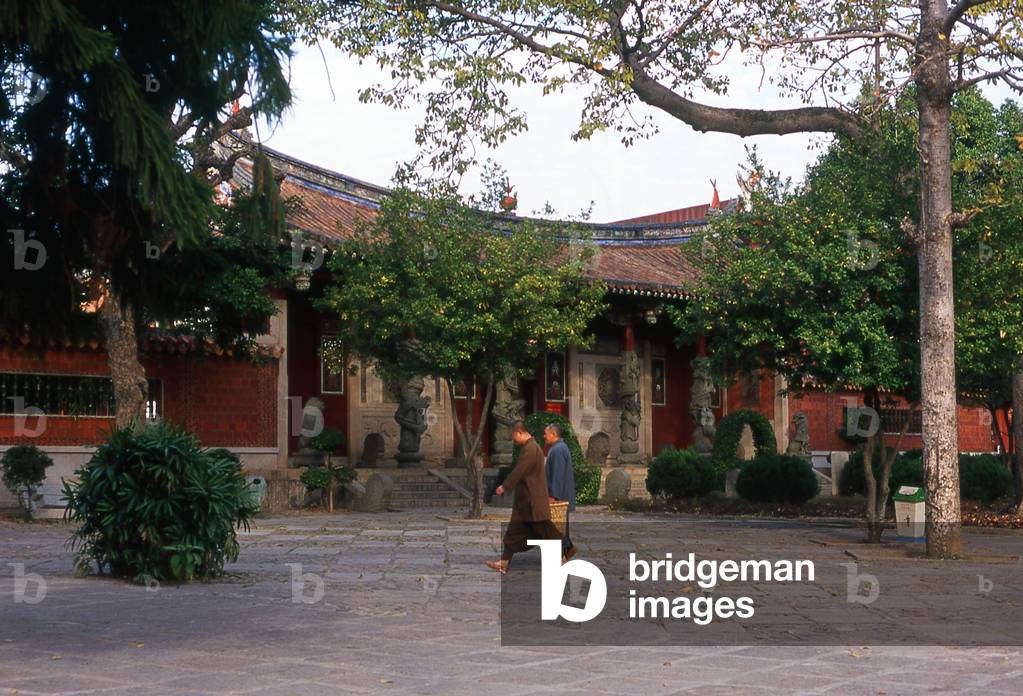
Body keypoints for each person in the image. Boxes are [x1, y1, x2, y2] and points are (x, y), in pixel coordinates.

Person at [485, 421, 562, 574]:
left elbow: (519, 471)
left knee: (546, 531)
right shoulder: (529, 448)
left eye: (514, 435)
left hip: (532, 501)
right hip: (525, 502)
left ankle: (564, 553)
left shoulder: (531, 449)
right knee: (513, 533)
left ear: (520, 432)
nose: (513, 439)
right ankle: (503, 562)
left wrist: (504, 486)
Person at [544, 422, 577, 561]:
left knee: (556, 527)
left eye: (546, 433)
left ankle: (563, 554)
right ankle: (567, 550)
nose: (544, 436)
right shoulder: (559, 448)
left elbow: (557, 475)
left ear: (553, 434)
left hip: (559, 497)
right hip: (562, 496)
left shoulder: (557, 450)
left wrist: (553, 495)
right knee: (560, 527)